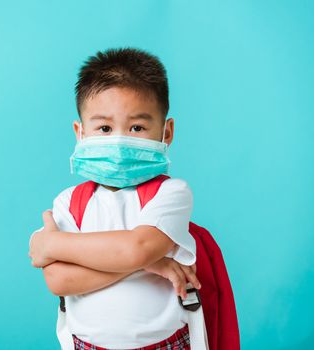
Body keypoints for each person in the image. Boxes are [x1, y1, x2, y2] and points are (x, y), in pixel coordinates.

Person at [29, 47, 202, 350]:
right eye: (105, 128)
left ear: (167, 131)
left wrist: (51, 244)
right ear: (80, 132)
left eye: (137, 127)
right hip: (89, 344)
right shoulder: (70, 203)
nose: (120, 141)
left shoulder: (170, 194)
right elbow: (58, 281)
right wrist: (153, 264)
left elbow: (137, 247)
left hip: (164, 344)